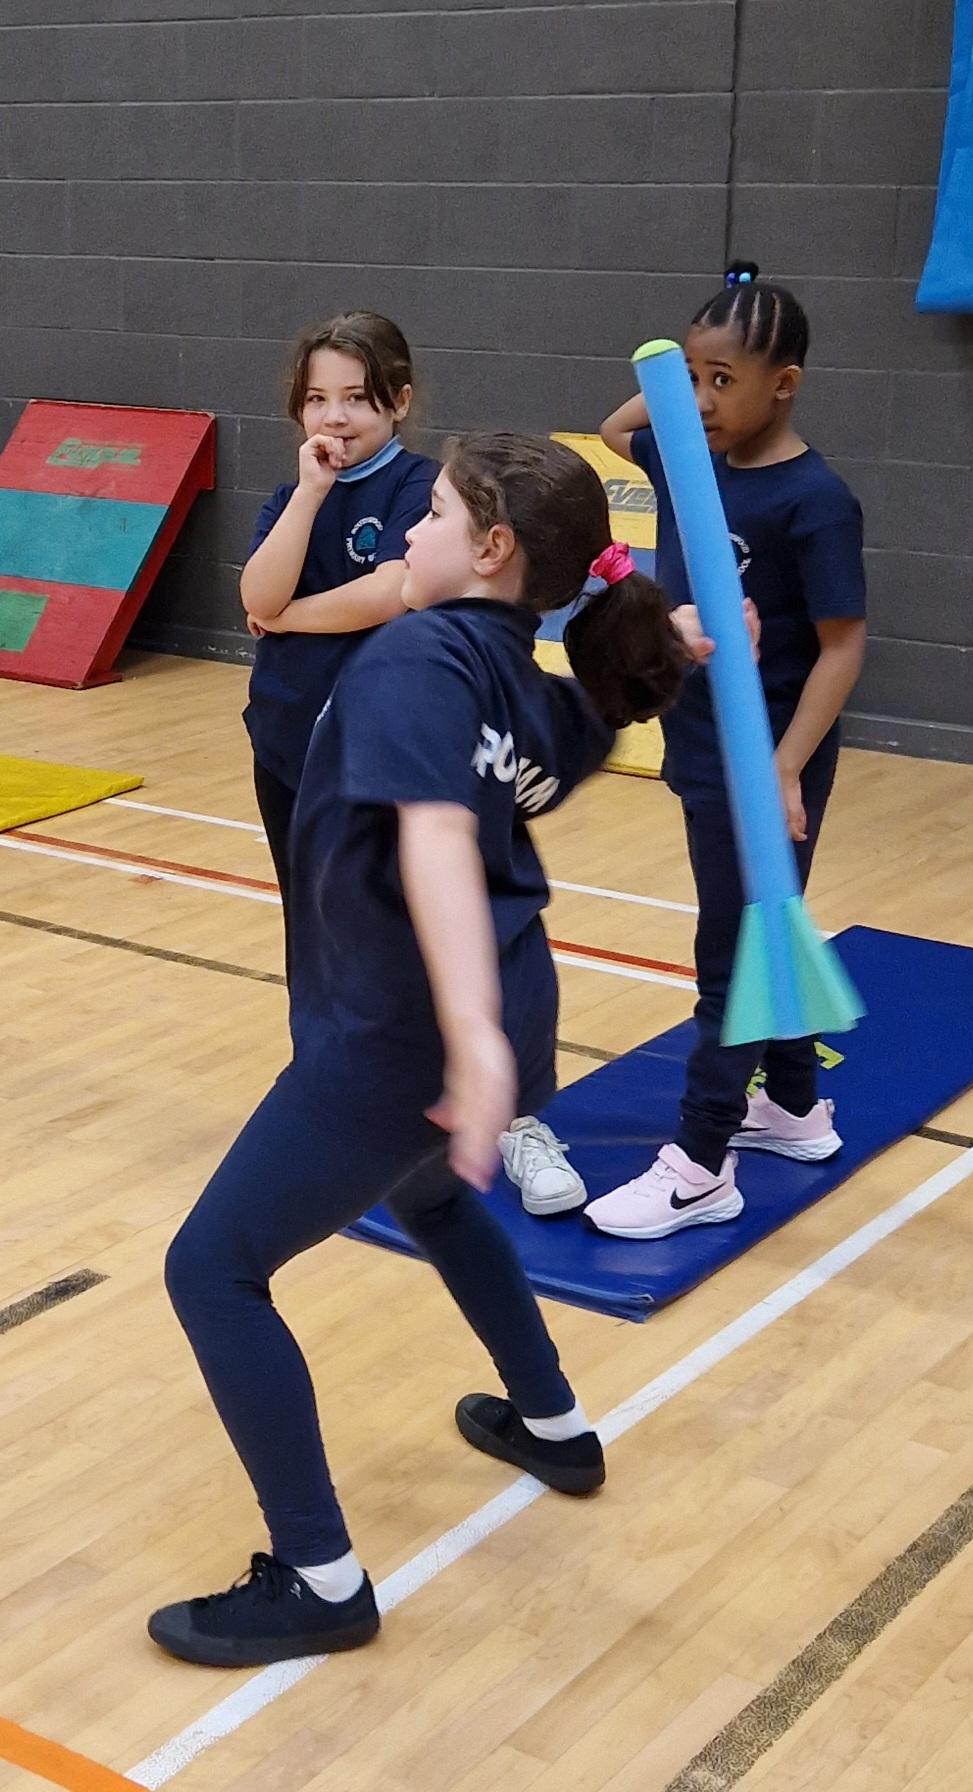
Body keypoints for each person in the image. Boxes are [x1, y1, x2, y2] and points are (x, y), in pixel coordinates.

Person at [148, 434, 689, 1667]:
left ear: (491, 549)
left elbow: (437, 833)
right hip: (508, 1006)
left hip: (408, 1037)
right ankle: (551, 1421)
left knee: (212, 1268)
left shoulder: (416, 656)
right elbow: (602, 719)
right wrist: (683, 650)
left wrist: (468, 1040)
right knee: (432, 1200)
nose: (409, 529)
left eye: (434, 513)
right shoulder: (536, 692)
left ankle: (319, 1576)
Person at [579, 262, 867, 1241]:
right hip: (699, 745)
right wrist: (679, 377)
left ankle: (701, 1165)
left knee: (732, 956)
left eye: (723, 381)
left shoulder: (813, 500)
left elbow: (841, 647)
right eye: (690, 379)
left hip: (768, 757)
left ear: (783, 385)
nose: (699, 401)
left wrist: (782, 767)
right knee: (756, 929)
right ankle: (792, 1107)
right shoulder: (687, 466)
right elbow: (615, 427)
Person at [240, 311, 436, 955]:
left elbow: (389, 593)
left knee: (372, 931)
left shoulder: (420, 485)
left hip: (372, 752)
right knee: (306, 927)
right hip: (286, 743)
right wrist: (311, 492)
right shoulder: (290, 498)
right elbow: (257, 594)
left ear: (399, 402)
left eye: (356, 398)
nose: (335, 418)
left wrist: (285, 618)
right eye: (317, 399)